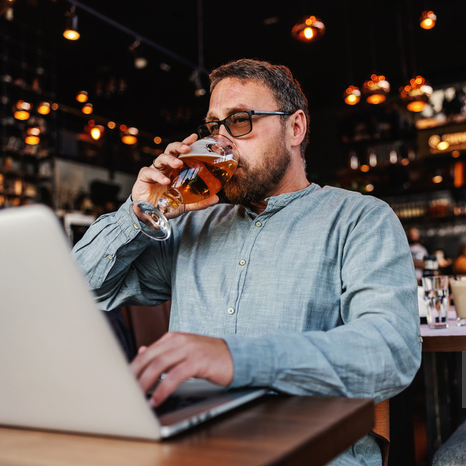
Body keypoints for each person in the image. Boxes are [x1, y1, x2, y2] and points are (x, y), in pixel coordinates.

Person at [72, 58, 421, 465]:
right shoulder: (193, 226)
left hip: (310, 451)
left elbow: (391, 351)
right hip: (191, 448)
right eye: (214, 126)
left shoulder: (360, 219)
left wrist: (236, 358)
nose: (221, 139)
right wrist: (138, 211)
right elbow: (80, 290)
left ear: (295, 128)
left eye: (239, 121)